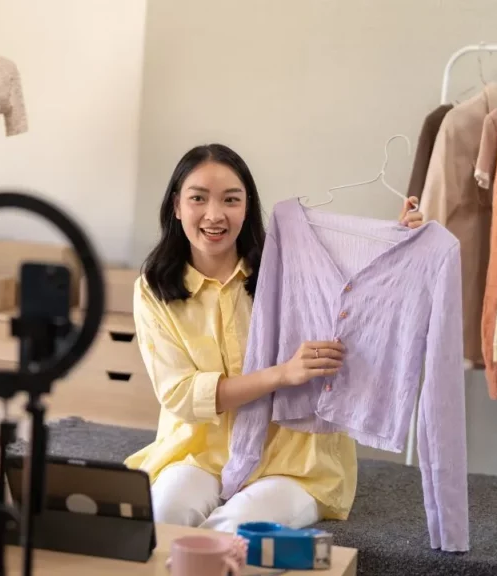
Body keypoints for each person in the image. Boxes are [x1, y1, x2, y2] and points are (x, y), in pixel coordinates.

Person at [124, 143, 425, 533]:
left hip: (295, 461)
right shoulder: (153, 287)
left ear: (247, 207)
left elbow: (362, 300)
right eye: (198, 198)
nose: (214, 215)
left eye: (231, 200)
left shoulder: (292, 267)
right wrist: (282, 375)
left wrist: (401, 242)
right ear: (176, 206)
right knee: (163, 517)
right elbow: (181, 395)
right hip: (198, 452)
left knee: (233, 531)